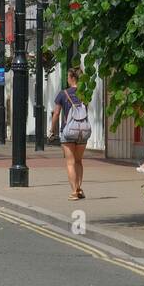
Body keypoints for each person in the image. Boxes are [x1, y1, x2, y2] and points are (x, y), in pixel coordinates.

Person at [50, 67, 90, 200]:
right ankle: (79, 188)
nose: (67, 79)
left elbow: (56, 113)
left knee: (70, 162)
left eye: (68, 77)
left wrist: (52, 129)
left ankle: (74, 192)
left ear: (72, 78)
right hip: (82, 131)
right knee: (79, 161)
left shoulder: (63, 94)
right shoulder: (85, 94)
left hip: (68, 131)